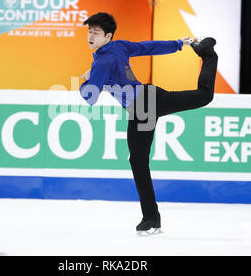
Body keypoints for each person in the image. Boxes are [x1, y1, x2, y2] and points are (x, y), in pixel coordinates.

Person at [79, 12, 218, 235]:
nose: (90, 36)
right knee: (138, 161)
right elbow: (147, 48)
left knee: (204, 96)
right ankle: (151, 218)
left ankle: (209, 55)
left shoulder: (102, 62)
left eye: (96, 32)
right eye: (89, 31)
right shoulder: (119, 46)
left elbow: (89, 97)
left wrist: (86, 79)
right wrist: (177, 44)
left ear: (108, 36)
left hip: (145, 104)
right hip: (141, 106)